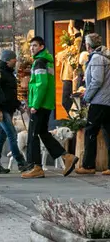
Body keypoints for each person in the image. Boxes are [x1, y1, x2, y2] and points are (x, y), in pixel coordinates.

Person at [21, 36, 78, 179]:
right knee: (43, 133)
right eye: (31, 46)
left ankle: (36, 167)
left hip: (40, 104)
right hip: (46, 103)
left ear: (41, 47)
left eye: (35, 45)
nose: (32, 48)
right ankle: (66, 157)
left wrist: (35, 105)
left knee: (33, 135)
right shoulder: (46, 61)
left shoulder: (40, 62)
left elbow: (41, 85)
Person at [76, 33, 110, 175]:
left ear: (88, 45)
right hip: (107, 100)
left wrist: (87, 97)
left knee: (90, 131)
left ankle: (88, 165)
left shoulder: (96, 58)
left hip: (99, 101)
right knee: (108, 132)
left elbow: (96, 81)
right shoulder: (106, 56)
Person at [0, 50, 27, 173]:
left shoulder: (6, 73)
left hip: (8, 108)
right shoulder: (0, 74)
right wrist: (0, 110)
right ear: (8, 60)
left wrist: (18, 105)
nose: (16, 61)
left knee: (1, 136)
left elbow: (10, 94)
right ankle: (21, 162)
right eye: (14, 59)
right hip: (3, 110)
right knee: (12, 135)